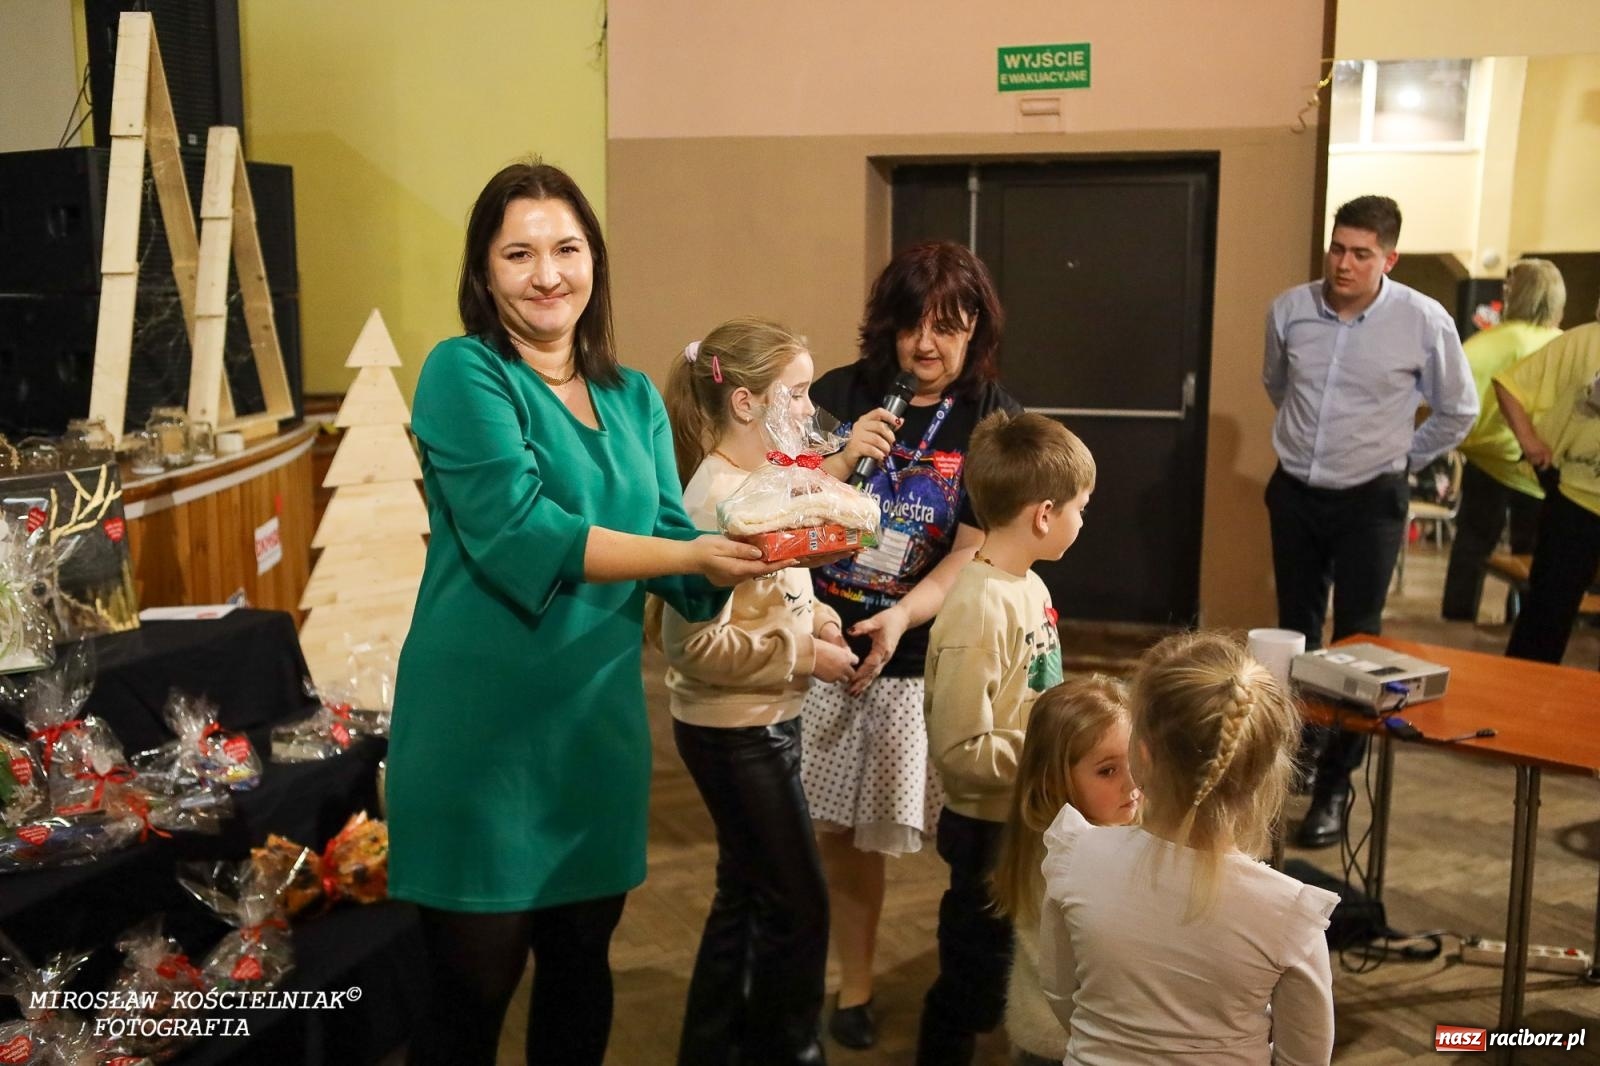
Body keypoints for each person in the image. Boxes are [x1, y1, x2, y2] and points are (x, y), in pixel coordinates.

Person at [386, 161, 781, 1066]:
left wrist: (772, 548)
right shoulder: (464, 372)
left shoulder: (633, 393)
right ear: (485, 274)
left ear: (594, 261)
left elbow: (681, 549)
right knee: (470, 1000)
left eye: (566, 248)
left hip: (590, 736)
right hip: (479, 738)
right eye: (518, 253)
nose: (547, 273)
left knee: (580, 974)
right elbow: (524, 532)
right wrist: (689, 554)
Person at [802, 240, 1023, 1048]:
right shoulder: (836, 393)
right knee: (840, 836)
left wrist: (904, 617)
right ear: (888, 328)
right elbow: (774, 504)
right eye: (913, 326)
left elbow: (972, 548)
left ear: (975, 335)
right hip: (828, 641)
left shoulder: (992, 415)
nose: (927, 346)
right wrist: (833, 459)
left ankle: (966, 991)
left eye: (949, 328)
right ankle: (853, 988)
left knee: (959, 838)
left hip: (928, 651)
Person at [657, 317, 859, 1065]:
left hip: (760, 716)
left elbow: (767, 598)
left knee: (745, 897)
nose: (811, 411)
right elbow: (692, 642)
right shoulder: (718, 501)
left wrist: (820, 619)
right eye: (797, 393)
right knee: (798, 909)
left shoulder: (758, 482)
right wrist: (802, 652)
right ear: (745, 403)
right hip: (735, 730)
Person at [1262, 194, 1477, 849]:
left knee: (1358, 645)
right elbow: (1278, 384)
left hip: (1370, 501)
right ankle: (1294, 757)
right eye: (1337, 248)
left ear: (1389, 257)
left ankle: (1335, 787)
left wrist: (1400, 458)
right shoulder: (1291, 310)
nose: (1343, 264)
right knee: (1294, 633)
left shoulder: (1423, 320)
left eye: (1360, 253)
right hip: (1296, 490)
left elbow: (1457, 409)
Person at [1039, 631, 1339, 1065]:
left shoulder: (1075, 857)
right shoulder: (1290, 916)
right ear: (1263, 771)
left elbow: (1062, 993)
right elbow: (1305, 1058)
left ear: (1141, 755)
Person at [915, 410, 1092, 1066]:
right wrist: (1052, 761)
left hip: (1024, 817)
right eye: (1081, 507)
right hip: (986, 827)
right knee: (970, 983)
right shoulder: (977, 605)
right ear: (1043, 515)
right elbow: (961, 750)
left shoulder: (1030, 585)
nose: (1083, 521)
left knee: (1012, 971)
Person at [989, 676, 1138, 1066]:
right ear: (1056, 778)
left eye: (1135, 761)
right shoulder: (1074, 859)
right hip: (1065, 1043)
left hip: (1048, 1032)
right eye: (1108, 771)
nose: (1132, 783)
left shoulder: (1054, 830)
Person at [1441, 259, 1566, 621]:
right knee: (1531, 554)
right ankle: (1523, 621)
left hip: (1492, 460)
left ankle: (1458, 619)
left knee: (1472, 546)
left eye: (1509, 288)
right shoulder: (1562, 342)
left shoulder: (1497, 340)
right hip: (1542, 466)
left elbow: (1452, 392)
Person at [1496, 295, 1600, 668]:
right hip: (1573, 498)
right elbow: (1508, 385)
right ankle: (1516, 709)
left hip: (1573, 495)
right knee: (1544, 623)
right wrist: (1531, 442)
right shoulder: (1584, 340)